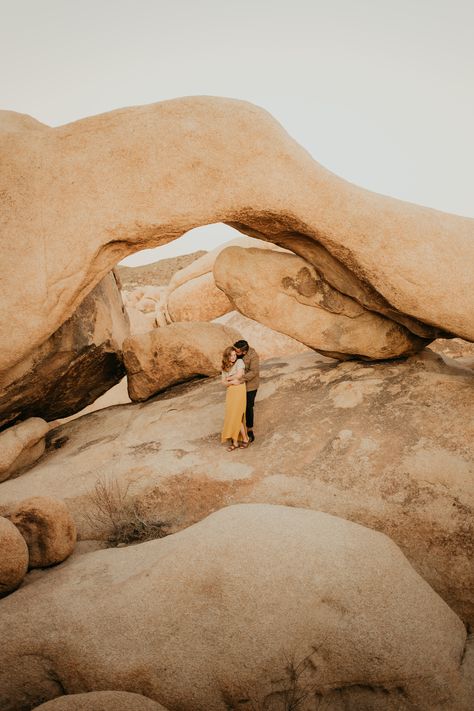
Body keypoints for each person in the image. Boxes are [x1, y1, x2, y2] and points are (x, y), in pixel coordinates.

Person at [221, 346, 250, 451]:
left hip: (239, 391)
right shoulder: (225, 367)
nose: (233, 357)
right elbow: (223, 382)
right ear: (227, 356)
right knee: (231, 415)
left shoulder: (240, 362)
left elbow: (240, 374)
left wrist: (228, 379)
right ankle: (235, 442)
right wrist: (231, 381)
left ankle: (245, 439)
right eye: (231, 355)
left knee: (236, 416)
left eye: (234, 355)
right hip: (231, 392)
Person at [233, 340, 259, 443]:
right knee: (237, 407)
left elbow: (254, 372)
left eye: (237, 351)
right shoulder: (235, 354)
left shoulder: (253, 356)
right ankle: (239, 429)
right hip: (237, 385)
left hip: (250, 385)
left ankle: (249, 429)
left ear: (243, 352)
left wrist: (239, 379)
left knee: (248, 407)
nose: (235, 352)